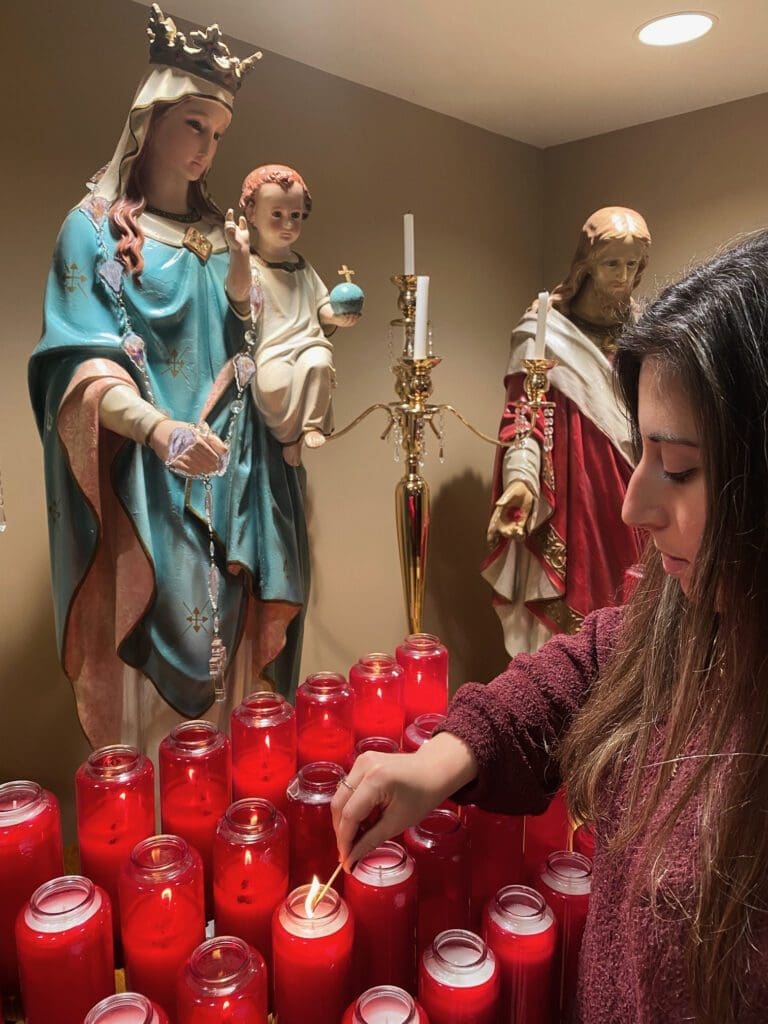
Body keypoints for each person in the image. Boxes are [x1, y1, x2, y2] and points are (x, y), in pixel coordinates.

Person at [333, 231, 768, 1022]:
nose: (634, 505)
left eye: (677, 466)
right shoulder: (693, 609)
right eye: (639, 453)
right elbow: (597, 659)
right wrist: (447, 756)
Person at [28, 6, 309, 752]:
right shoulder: (90, 229)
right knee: (149, 701)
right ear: (150, 119)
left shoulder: (225, 239)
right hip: (146, 489)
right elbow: (78, 369)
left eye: (218, 133)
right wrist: (157, 428)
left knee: (230, 679)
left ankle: (221, 837)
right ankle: (153, 842)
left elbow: (249, 352)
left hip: (233, 480)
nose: (207, 147)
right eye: (194, 125)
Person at [484, 208, 651, 656]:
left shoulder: (647, 329)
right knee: (574, 619)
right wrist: (520, 480)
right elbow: (524, 414)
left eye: (632, 265)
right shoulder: (545, 333)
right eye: (612, 263)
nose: (622, 276)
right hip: (576, 494)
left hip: (636, 483)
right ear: (587, 265)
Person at [225, 164, 360, 467]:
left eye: (295, 216)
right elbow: (238, 295)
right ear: (252, 212)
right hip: (272, 348)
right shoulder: (253, 266)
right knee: (273, 386)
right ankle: (290, 441)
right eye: (277, 214)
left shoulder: (302, 266)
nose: (288, 223)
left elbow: (322, 305)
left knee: (318, 364)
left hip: (309, 341)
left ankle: (311, 425)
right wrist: (239, 255)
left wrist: (337, 318)